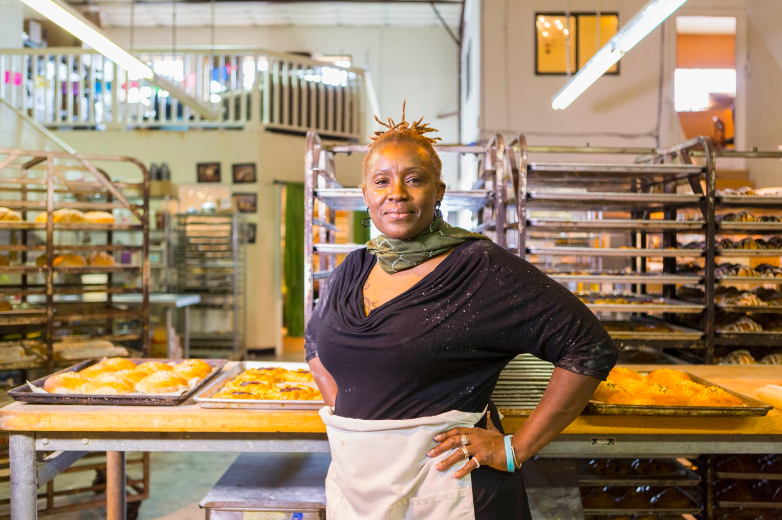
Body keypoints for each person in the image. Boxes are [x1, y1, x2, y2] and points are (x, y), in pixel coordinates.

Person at [305, 102, 618, 520]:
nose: (396, 193)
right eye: (381, 181)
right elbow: (315, 342)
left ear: (439, 192)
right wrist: (357, 423)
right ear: (365, 195)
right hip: (358, 486)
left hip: (451, 490)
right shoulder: (352, 268)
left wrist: (514, 447)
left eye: (414, 180)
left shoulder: (479, 268)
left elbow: (589, 346)